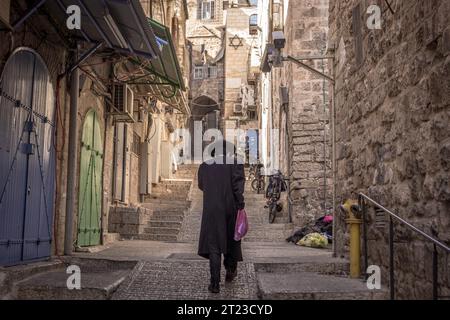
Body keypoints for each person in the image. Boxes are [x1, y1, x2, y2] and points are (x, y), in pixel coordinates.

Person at [197, 140, 245, 294]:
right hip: (230, 207)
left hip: (211, 210)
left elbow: (201, 186)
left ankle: (215, 284)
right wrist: (240, 204)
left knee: (214, 246)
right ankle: (230, 271)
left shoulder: (204, 166)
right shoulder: (235, 164)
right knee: (232, 241)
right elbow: (238, 187)